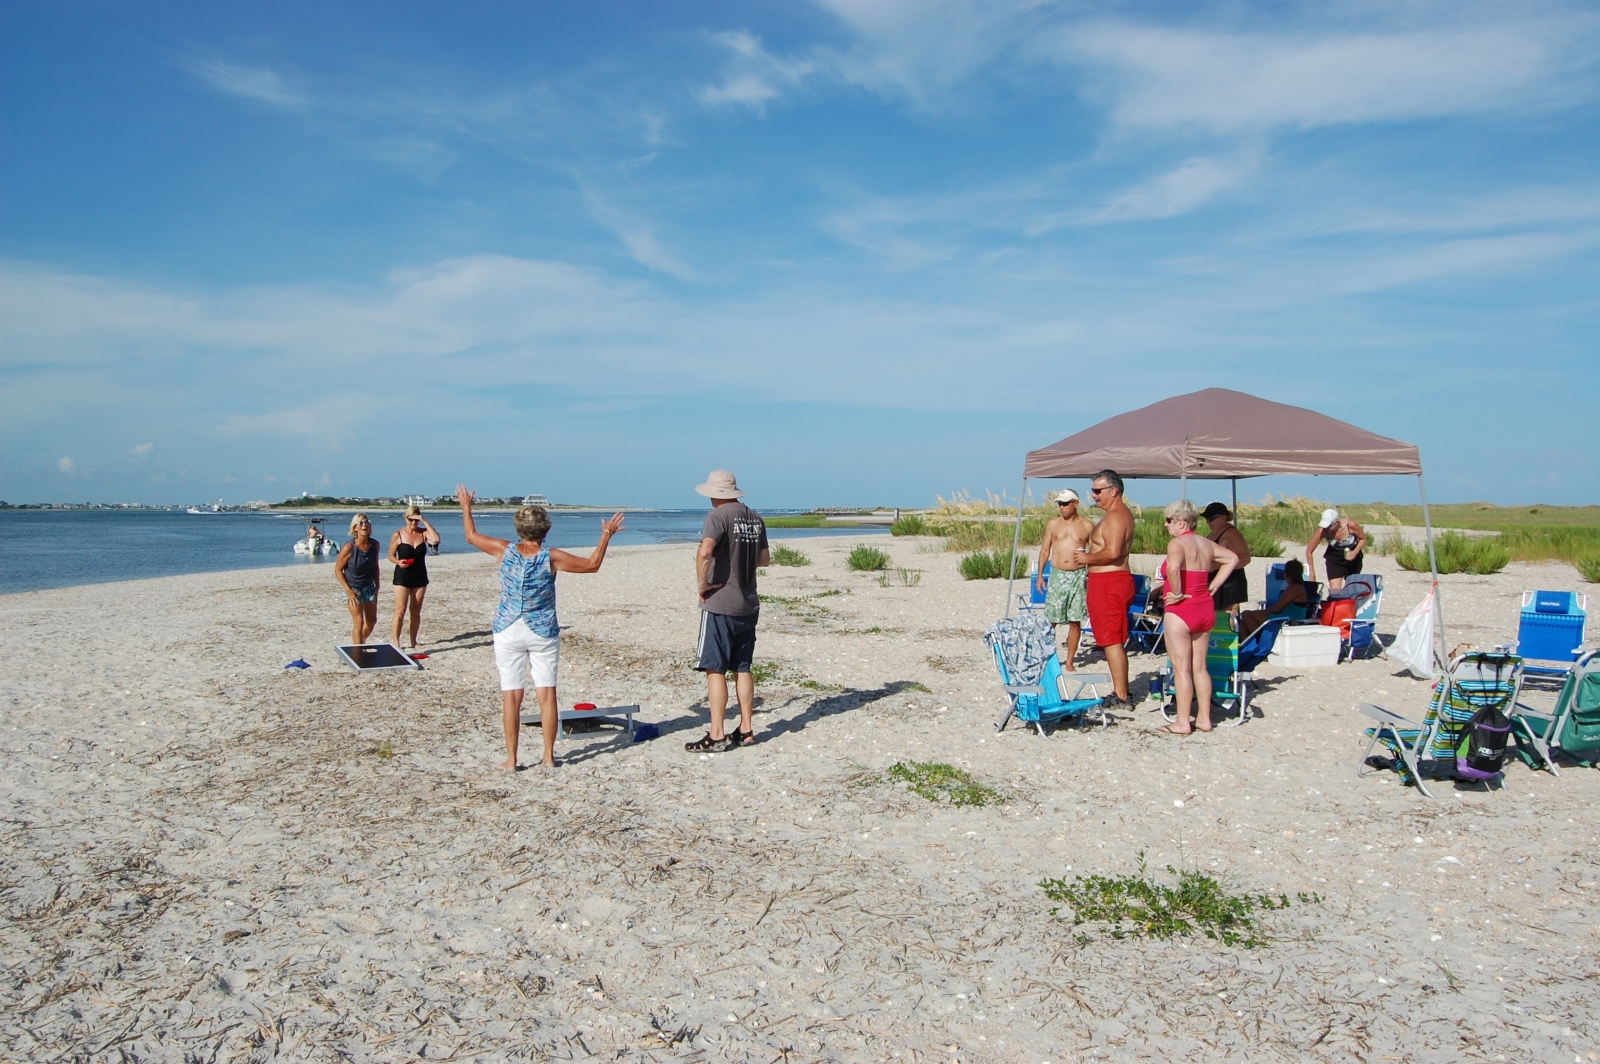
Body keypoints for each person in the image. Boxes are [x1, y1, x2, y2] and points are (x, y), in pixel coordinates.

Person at [456, 485, 625, 771]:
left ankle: (512, 759)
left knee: (511, 695)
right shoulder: (551, 556)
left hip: (508, 628)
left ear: (519, 529)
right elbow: (592, 565)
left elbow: (471, 536)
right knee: (546, 694)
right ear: (545, 531)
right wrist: (606, 534)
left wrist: (466, 507)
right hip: (542, 630)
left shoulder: (504, 549)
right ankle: (548, 756)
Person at [687, 470, 769, 753]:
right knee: (743, 666)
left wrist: (703, 584)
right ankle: (746, 729)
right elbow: (765, 559)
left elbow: (705, 551)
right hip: (748, 602)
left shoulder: (717, 517)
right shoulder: (755, 517)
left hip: (721, 602)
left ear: (714, 493)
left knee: (715, 668)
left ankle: (717, 733)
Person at [1155, 500, 1240, 734]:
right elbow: (1232, 559)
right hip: (1204, 605)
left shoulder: (1177, 543)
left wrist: (1178, 592)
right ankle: (1204, 718)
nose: (1167, 525)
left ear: (1181, 522)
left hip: (1182, 609)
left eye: (1170, 521)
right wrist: (1214, 585)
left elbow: (1172, 569)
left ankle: (1183, 721)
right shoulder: (1206, 544)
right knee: (1200, 667)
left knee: (1181, 668)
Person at [1076, 470, 1138, 706]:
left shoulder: (1116, 517)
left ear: (1114, 491)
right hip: (1108, 582)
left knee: (1112, 640)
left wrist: (1087, 559)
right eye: (1093, 491)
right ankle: (1121, 691)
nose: (1094, 496)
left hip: (1110, 583)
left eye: (1098, 491)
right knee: (1109, 638)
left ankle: (1121, 694)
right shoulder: (1116, 515)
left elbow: (1113, 552)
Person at [1035, 489, 1094, 670]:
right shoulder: (1053, 524)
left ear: (1075, 503)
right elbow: (1045, 550)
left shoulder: (1087, 526)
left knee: (1074, 620)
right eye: (1060, 504)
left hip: (1077, 576)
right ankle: (1043, 657)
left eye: (1065, 503)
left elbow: (1095, 552)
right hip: (1057, 574)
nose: (1062, 507)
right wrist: (1040, 575)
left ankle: (1069, 661)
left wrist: (1091, 575)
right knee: (1052, 619)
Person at [388, 505, 441, 649]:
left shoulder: (423, 533)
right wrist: (398, 562)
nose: (413, 523)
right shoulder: (398, 535)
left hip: (420, 575)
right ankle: (396, 641)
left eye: (416, 520)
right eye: (411, 520)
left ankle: (413, 641)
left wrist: (424, 521)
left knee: (416, 610)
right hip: (403, 576)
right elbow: (390, 555)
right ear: (406, 518)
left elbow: (435, 540)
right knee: (400, 610)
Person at [334, 513, 380, 645]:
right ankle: (358, 651)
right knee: (359, 622)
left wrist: (377, 586)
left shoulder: (375, 545)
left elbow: (375, 566)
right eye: (361, 523)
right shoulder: (349, 547)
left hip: (369, 587)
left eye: (367, 522)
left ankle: (359, 643)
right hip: (353, 589)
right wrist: (348, 590)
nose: (364, 525)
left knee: (371, 621)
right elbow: (338, 570)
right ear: (355, 528)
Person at [1237, 558, 1310, 639]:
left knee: (1247, 615)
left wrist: (1259, 612)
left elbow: (1277, 608)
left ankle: (1263, 641)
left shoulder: (1295, 588)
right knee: (1242, 624)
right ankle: (1249, 649)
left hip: (1288, 619)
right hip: (1283, 616)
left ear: (1288, 573)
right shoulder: (1295, 587)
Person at [1201, 502, 1251, 616]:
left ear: (1223, 518)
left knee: (1227, 618)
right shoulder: (1213, 534)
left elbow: (1245, 558)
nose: (1208, 522)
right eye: (1207, 519)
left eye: (1211, 519)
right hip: (1217, 581)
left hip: (1230, 583)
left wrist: (1217, 566)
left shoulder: (1231, 533)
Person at [1306, 508, 1366, 591]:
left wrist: (1355, 552)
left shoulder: (1350, 525)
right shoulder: (1323, 531)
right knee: (1335, 591)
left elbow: (1363, 539)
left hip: (1353, 559)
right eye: (1325, 526)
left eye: (1329, 526)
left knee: (1351, 589)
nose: (1327, 528)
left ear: (1337, 522)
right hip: (1334, 559)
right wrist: (1312, 573)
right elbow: (1309, 551)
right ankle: (1337, 603)